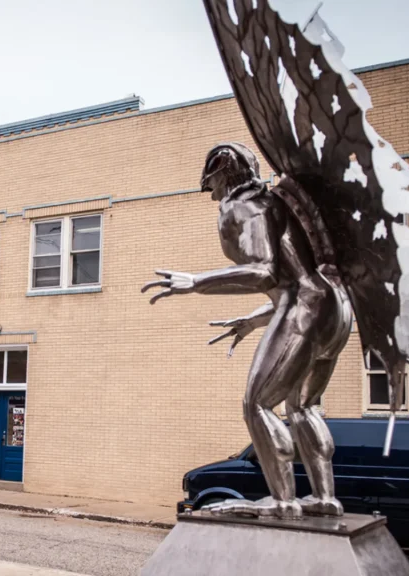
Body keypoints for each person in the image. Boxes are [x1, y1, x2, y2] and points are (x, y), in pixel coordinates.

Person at [142, 143, 352, 519]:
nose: (211, 192)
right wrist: (254, 321)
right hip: (333, 306)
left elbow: (265, 271)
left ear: (222, 173)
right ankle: (324, 497)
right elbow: (292, 275)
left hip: (304, 305)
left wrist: (196, 282)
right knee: (303, 406)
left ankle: (284, 502)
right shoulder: (270, 201)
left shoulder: (247, 204)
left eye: (212, 182)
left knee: (257, 404)